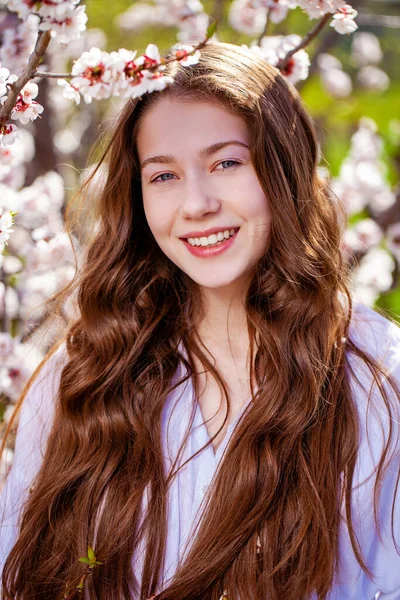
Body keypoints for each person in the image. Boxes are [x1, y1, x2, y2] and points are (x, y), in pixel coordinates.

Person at [0, 41, 400, 600]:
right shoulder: (85, 374)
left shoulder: (376, 376)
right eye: (163, 176)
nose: (197, 204)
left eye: (226, 163)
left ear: (283, 170)